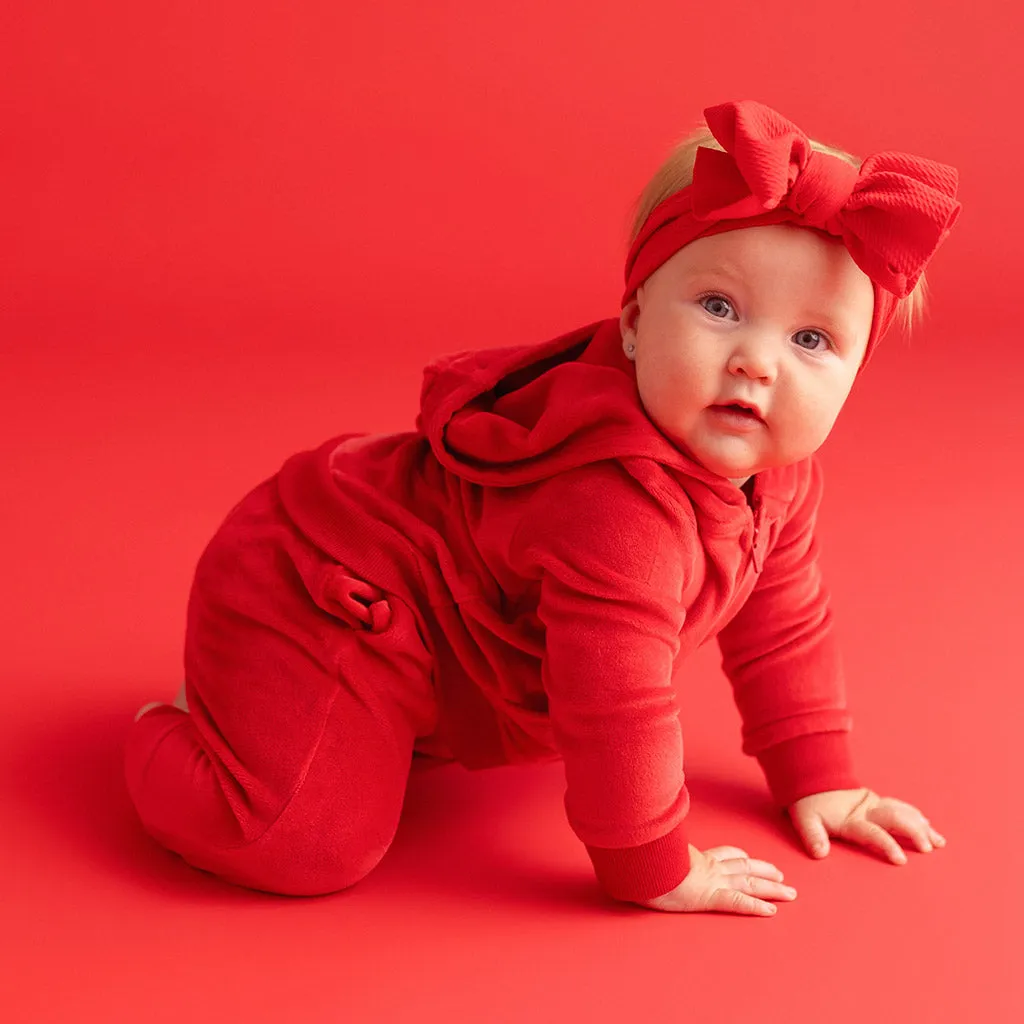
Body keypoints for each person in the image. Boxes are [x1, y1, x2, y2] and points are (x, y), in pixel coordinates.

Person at [125, 99, 957, 917]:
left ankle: (322, 725)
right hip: (320, 588)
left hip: (432, 645)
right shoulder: (615, 504)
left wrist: (822, 776)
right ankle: (176, 730)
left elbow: (784, 623)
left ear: (856, 374)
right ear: (633, 324)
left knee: (377, 774)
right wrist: (652, 866)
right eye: (718, 308)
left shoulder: (778, 475)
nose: (756, 364)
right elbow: (615, 702)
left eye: (811, 340)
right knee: (298, 842)